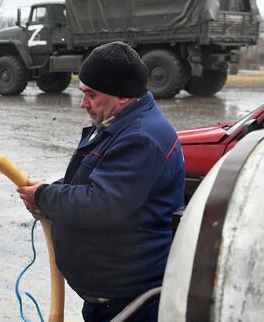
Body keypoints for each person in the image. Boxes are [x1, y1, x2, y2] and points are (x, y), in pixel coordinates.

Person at [18, 41, 185, 322]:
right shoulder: (119, 124)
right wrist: (48, 193)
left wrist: (46, 197)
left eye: (91, 95)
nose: (83, 103)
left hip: (131, 305)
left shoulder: (141, 138)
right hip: (108, 299)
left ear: (121, 95)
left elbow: (102, 204)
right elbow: (92, 178)